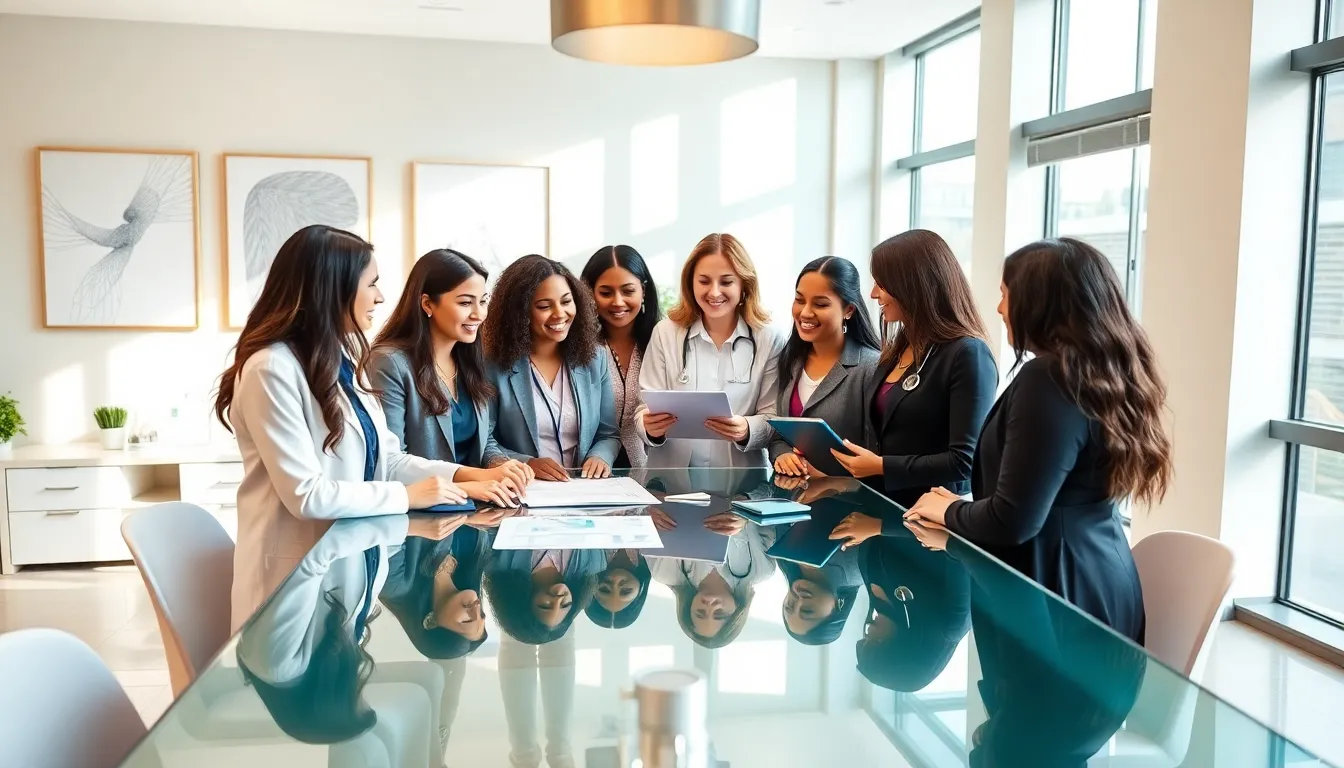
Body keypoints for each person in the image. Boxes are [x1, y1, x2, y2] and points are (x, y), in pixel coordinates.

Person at [905, 237, 1172, 645]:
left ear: (1039, 303)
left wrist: (950, 510)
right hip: (1096, 579)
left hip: (1056, 595)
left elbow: (1012, 521)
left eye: (1005, 295)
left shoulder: (1048, 378)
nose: (999, 309)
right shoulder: (1101, 372)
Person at [215, 224, 476, 629]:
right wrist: (407, 496)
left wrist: (466, 476)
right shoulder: (271, 369)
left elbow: (387, 459)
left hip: (346, 566)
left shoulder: (341, 360)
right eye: (371, 284)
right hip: (289, 584)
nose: (381, 297)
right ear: (332, 289)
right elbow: (307, 496)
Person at [827, 230, 998, 509]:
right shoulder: (898, 348)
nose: (873, 294)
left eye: (882, 284)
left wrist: (882, 466)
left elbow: (964, 461)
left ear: (914, 286)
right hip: (883, 508)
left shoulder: (968, 354)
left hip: (929, 516)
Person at [368, 248, 534, 507]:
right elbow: (389, 462)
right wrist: (475, 480)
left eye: (483, 301)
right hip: (423, 514)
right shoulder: (389, 363)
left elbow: (482, 440)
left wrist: (500, 464)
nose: (479, 314)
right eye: (465, 303)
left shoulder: (471, 358)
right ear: (427, 304)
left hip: (478, 507)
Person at [636, 233, 786, 468]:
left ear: (744, 284)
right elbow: (643, 408)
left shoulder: (769, 338)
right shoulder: (665, 333)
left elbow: (774, 416)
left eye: (726, 282)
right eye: (704, 281)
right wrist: (649, 428)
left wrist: (748, 429)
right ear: (690, 283)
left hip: (742, 480)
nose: (714, 292)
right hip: (671, 479)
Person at [481, 255, 621, 481]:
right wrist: (527, 464)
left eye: (566, 302)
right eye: (544, 306)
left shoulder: (596, 359)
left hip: (583, 488)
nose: (559, 314)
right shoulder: (492, 365)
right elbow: (483, 441)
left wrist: (600, 457)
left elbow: (608, 434)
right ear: (520, 312)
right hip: (523, 488)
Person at [769, 256, 882, 476]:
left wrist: (828, 479)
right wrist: (783, 455)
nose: (805, 312)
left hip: (849, 495)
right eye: (799, 300)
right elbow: (778, 436)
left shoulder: (871, 367)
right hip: (796, 493)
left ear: (849, 310)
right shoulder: (790, 360)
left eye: (820, 304)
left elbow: (876, 455)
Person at [580, 245, 663, 469]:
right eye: (606, 293)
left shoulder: (661, 343)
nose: (618, 302)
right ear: (589, 293)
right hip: (589, 468)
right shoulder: (579, 349)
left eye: (628, 291)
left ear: (643, 290)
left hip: (653, 471)